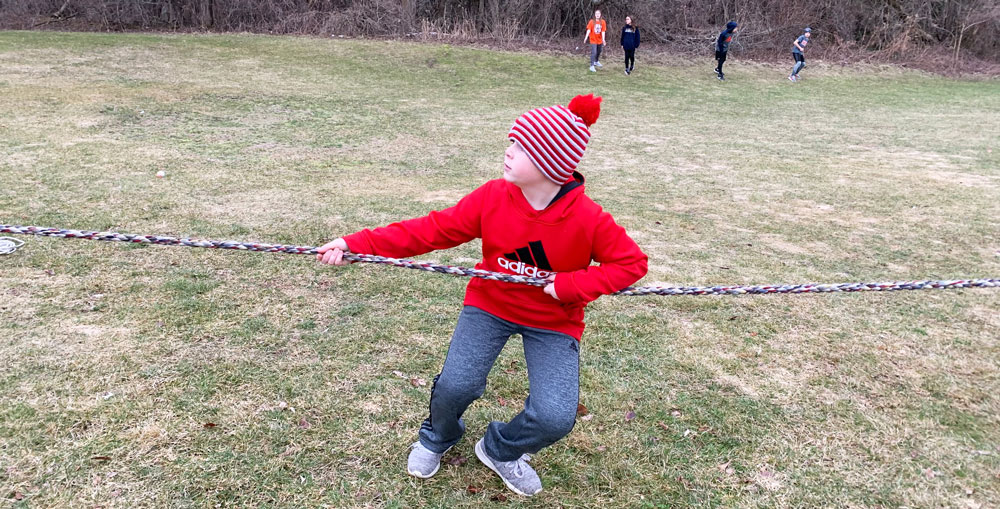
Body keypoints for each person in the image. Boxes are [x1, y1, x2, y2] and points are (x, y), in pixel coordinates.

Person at [315, 94, 648, 497]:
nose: (508, 151)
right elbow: (428, 230)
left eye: (520, 146)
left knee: (555, 416)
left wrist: (570, 286)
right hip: (489, 306)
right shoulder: (492, 197)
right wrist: (356, 245)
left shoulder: (588, 219)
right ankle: (438, 436)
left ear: (550, 163)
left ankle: (501, 450)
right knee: (457, 385)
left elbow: (631, 264)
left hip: (554, 321)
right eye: (512, 142)